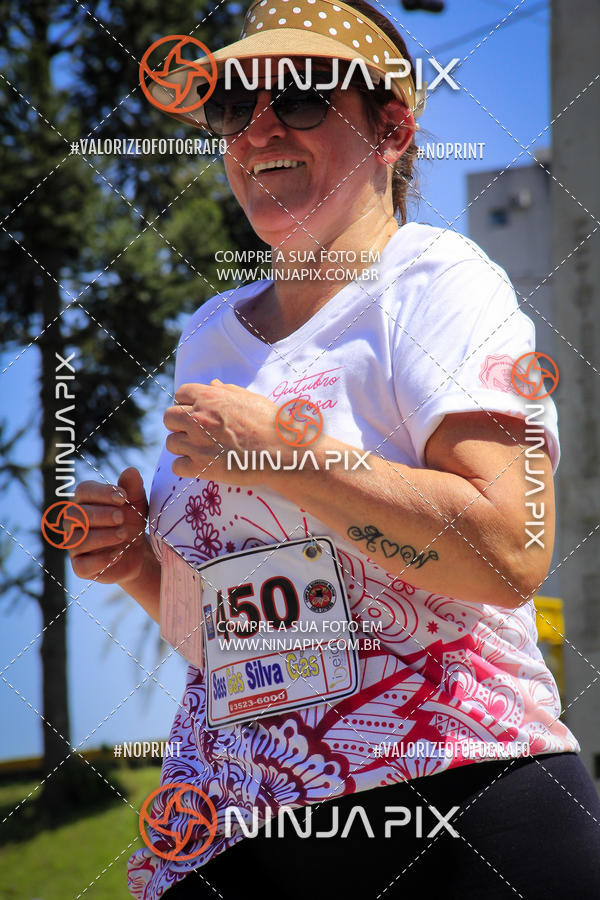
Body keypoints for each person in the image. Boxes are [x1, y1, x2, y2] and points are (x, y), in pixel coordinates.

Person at [70, 1, 600, 897]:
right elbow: (230, 642)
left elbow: (511, 552)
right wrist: (134, 565)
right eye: (234, 109)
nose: (260, 126)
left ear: (393, 128)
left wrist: (282, 453)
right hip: (234, 826)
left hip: (452, 808)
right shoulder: (208, 334)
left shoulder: (442, 283)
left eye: (304, 98)